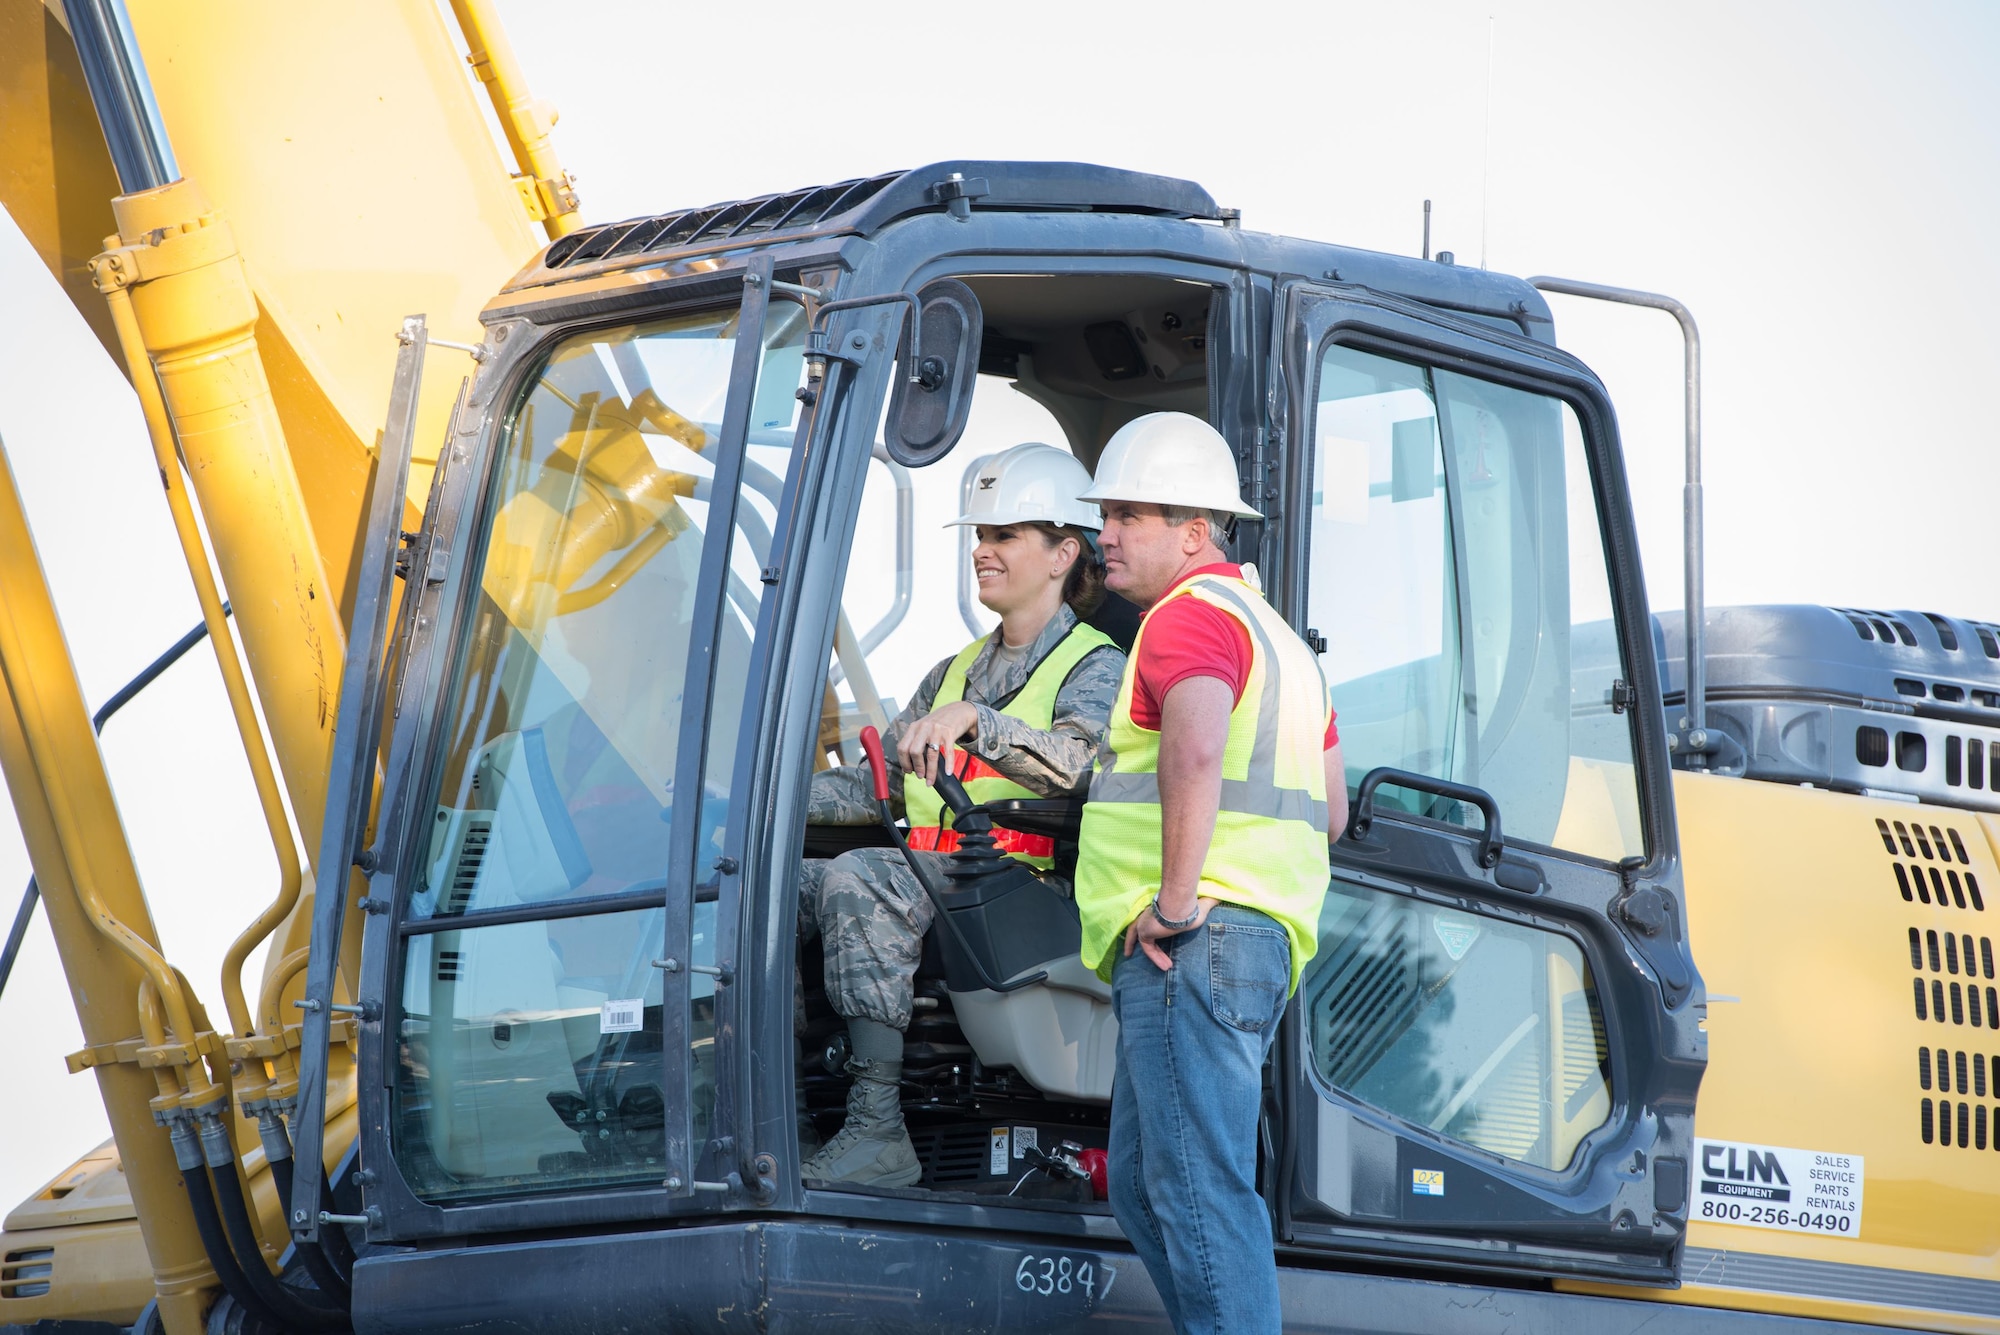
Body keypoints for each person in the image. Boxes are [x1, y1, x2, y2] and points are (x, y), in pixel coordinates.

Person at [1073, 412, 1347, 1335]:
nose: (1105, 533)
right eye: (1104, 513)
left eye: (1130, 515)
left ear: (1196, 532)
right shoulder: (1285, 645)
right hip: (1250, 940)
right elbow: (1333, 811)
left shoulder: (1183, 620)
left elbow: (1192, 749)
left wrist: (1175, 903)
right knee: (1156, 1192)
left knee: (1196, 1191)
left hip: (1192, 942)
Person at [799, 443, 1127, 1186]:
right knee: (769, 881)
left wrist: (981, 722)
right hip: (933, 870)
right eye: (979, 536)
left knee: (861, 876)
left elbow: (1080, 765)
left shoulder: (1095, 664)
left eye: (1004, 534)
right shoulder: (949, 672)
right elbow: (875, 785)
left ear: (1062, 552)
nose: (983, 550)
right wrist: (760, 806)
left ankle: (878, 1128)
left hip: (1023, 883)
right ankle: (784, 1107)